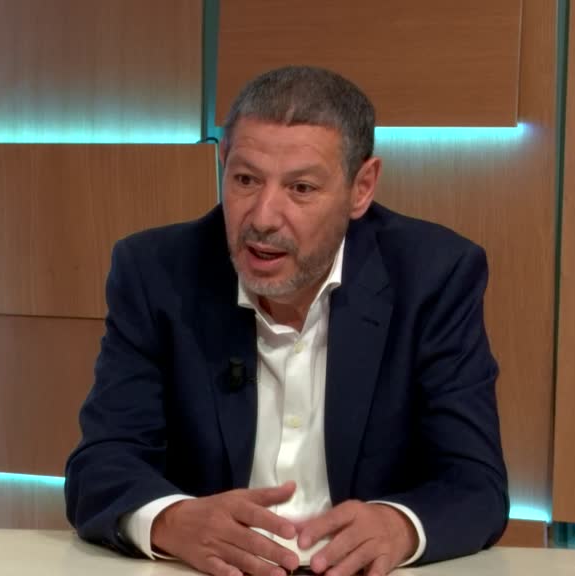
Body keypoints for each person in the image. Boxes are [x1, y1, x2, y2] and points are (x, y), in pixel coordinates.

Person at [65, 66, 508, 576]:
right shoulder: (156, 273)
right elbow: (101, 466)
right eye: (245, 180)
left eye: (300, 188)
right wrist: (173, 520)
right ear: (223, 162)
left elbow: (475, 484)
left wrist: (398, 526)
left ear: (361, 187)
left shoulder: (433, 277)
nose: (262, 217)